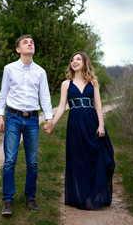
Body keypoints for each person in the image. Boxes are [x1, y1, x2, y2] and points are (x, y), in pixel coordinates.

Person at [44, 52, 115, 210]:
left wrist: (101, 124)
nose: (74, 61)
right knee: (79, 160)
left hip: (92, 122)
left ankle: (94, 194)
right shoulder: (66, 84)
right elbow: (62, 106)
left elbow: (98, 104)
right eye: (72, 60)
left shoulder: (93, 82)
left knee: (96, 158)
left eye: (78, 59)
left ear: (85, 63)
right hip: (75, 124)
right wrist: (52, 124)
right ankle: (82, 196)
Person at [0, 35, 54, 215]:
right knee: (10, 161)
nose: (30, 44)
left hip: (32, 119)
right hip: (13, 117)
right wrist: (0, 116)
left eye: (32, 42)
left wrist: (49, 118)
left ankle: (30, 197)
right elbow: (3, 93)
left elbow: (45, 96)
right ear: (18, 49)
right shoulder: (9, 69)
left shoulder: (40, 71)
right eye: (25, 42)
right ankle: (8, 200)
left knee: (32, 162)